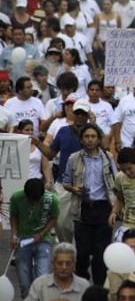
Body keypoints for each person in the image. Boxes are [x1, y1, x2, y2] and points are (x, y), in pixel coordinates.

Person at [63, 123, 116, 285]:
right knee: (83, 253)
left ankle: (99, 288)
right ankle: (82, 285)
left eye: (93, 136)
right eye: (86, 136)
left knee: (101, 254)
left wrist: (115, 208)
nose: (90, 140)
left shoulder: (107, 158)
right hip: (83, 208)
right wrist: (74, 188)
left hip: (103, 208)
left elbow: (116, 180)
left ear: (99, 139)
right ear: (81, 139)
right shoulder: (74, 158)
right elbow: (66, 181)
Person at [32, 98, 92, 242]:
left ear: (88, 115)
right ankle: (67, 247)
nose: (80, 116)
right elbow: (51, 153)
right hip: (63, 184)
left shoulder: (92, 133)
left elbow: (105, 146)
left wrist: (94, 125)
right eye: (77, 113)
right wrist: (38, 144)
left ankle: (78, 253)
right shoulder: (63, 131)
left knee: (83, 223)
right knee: (60, 222)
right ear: (72, 113)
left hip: (87, 184)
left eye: (83, 114)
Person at [22, 243, 89, 301]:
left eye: (68, 263)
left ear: (74, 265)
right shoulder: (40, 284)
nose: (64, 267)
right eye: (60, 263)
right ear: (53, 264)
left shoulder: (84, 286)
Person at [10, 178, 59, 299]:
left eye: (37, 200)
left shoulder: (52, 199)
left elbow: (54, 218)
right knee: (25, 283)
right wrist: (15, 235)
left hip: (43, 241)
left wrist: (41, 234)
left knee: (42, 279)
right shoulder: (16, 197)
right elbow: (14, 216)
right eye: (31, 199)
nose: (33, 203)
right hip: (23, 241)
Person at [17, 119, 52, 187]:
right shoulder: (15, 147)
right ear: (20, 132)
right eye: (27, 130)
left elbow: (45, 167)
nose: (30, 132)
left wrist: (48, 181)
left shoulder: (39, 147)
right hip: (20, 182)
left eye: (32, 130)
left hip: (37, 182)